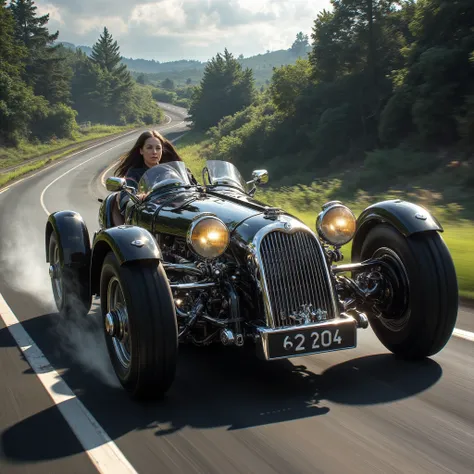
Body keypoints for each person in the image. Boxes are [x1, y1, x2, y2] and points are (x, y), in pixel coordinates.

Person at [114, 130, 196, 216]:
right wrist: (138, 197)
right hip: (147, 216)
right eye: (149, 148)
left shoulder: (172, 171)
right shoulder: (133, 174)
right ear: (141, 151)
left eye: (158, 148)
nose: (154, 152)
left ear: (162, 150)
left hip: (173, 211)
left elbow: (193, 188)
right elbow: (126, 197)